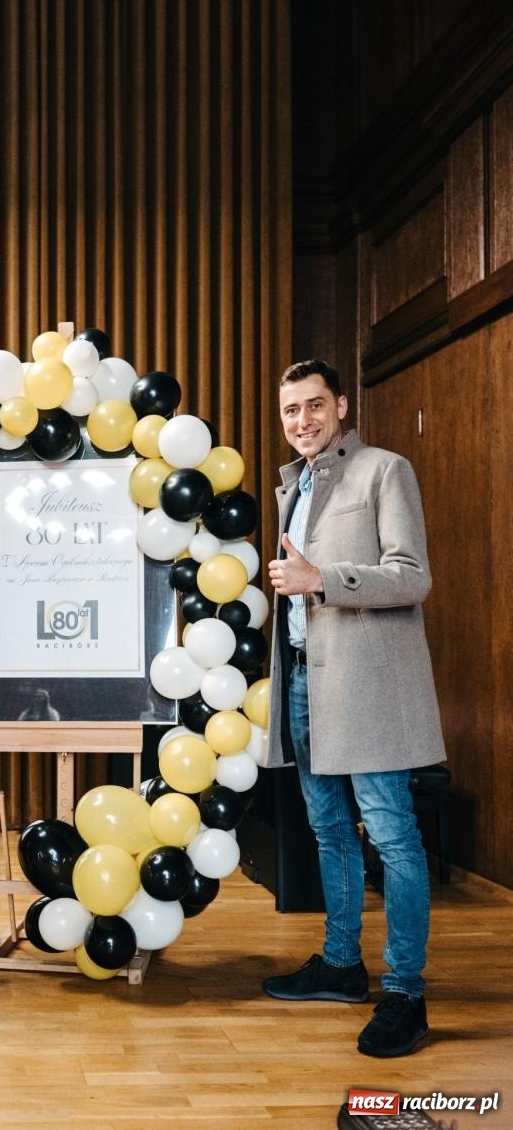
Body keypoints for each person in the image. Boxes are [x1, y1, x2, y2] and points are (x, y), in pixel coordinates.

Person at [262, 358, 445, 1059]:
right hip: (307, 679)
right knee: (328, 829)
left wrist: (320, 580)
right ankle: (342, 966)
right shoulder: (295, 485)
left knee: (392, 836)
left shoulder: (383, 470)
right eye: (289, 411)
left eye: (313, 406)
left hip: (367, 684)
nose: (301, 421)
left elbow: (412, 577)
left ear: (340, 405)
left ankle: (405, 994)